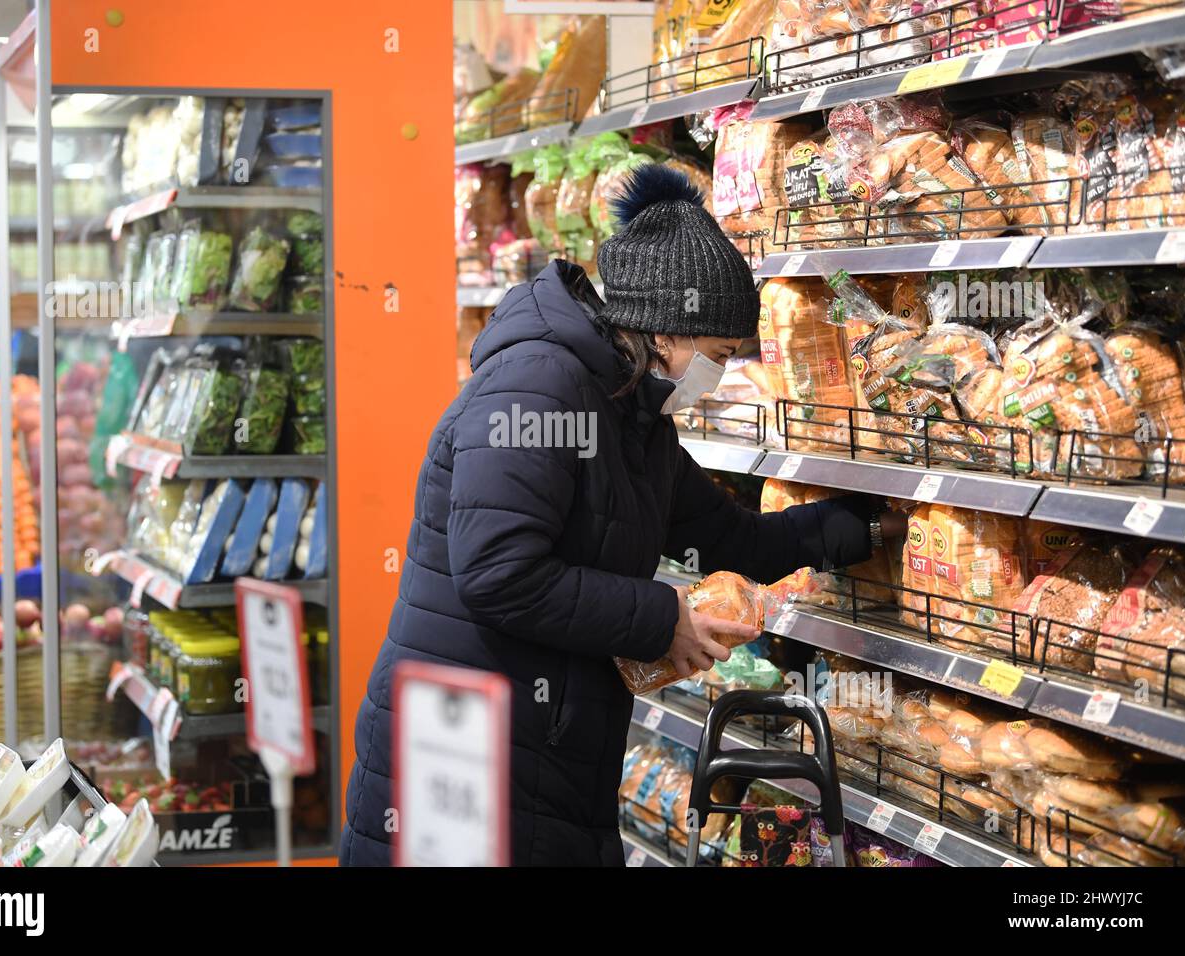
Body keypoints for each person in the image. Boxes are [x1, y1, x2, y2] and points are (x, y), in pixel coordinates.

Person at [341, 165, 899, 866]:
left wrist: (876, 524)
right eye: (720, 355)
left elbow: (733, 538)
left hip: (545, 742)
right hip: (463, 750)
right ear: (666, 331)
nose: (720, 376)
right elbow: (497, 572)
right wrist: (664, 619)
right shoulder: (538, 384)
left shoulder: (634, 416)